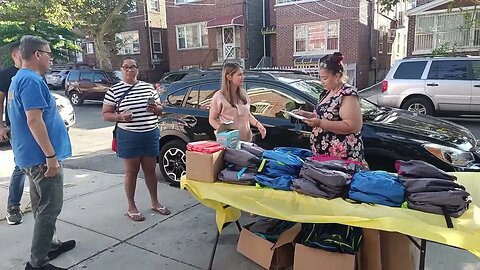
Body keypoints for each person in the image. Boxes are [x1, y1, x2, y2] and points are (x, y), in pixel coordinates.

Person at [8, 35, 76, 270]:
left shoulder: (19, 78)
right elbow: (34, 121)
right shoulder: (31, 81)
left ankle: (51, 244)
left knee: (40, 206)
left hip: (30, 156)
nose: (51, 58)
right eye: (48, 53)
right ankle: (37, 263)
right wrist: (50, 157)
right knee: (49, 208)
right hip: (41, 159)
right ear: (37, 54)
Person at [102, 56, 170, 222]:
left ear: (138, 69)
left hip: (150, 133)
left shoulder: (148, 88)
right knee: (131, 172)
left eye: (132, 67)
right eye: (126, 67)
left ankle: (155, 202)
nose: (129, 70)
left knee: (150, 171)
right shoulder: (114, 90)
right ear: (121, 70)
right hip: (129, 136)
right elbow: (105, 115)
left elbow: (161, 110)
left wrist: (157, 108)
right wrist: (120, 117)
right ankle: (131, 206)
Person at [293, 52, 365, 163]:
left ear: (337, 76)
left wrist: (319, 123)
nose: (321, 82)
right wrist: (305, 114)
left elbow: (352, 126)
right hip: (324, 157)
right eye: (320, 78)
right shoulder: (327, 92)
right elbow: (325, 115)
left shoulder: (347, 94)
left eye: (325, 78)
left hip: (342, 159)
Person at [0, 41, 27, 225]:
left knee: (40, 165)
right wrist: (1, 125)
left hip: (37, 127)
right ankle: (13, 207)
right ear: (14, 55)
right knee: (21, 166)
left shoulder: (34, 72)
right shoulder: (6, 75)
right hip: (17, 128)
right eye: (21, 52)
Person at [208, 62, 266, 142]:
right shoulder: (219, 97)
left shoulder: (243, 94)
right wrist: (223, 131)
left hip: (246, 140)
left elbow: (247, 114)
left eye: (243, 74)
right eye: (239, 75)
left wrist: (258, 124)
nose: (243, 77)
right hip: (229, 141)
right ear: (229, 77)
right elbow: (212, 119)